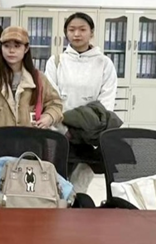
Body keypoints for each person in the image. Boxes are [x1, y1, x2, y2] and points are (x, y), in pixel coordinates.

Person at [45, 12, 117, 193]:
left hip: (89, 136)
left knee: (79, 187)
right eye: (72, 30)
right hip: (60, 133)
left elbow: (106, 104)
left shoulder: (104, 63)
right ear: (65, 33)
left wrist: (87, 130)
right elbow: (51, 98)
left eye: (82, 29)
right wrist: (64, 129)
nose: (77, 34)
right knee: (56, 184)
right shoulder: (56, 61)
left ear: (91, 32)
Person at [0, 26, 63, 159]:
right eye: (6, 46)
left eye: (17, 46)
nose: (11, 51)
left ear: (26, 48)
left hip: (31, 148)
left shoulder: (38, 78)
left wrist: (49, 116)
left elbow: (56, 104)